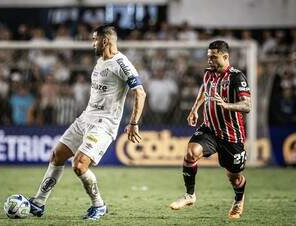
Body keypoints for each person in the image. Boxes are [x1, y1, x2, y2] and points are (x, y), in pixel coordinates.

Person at [28, 25, 146, 220]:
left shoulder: (121, 63)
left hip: (104, 123)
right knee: (57, 155)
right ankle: (39, 202)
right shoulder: (100, 61)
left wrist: (134, 123)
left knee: (79, 165)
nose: (92, 44)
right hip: (85, 118)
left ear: (105, 41)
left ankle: (99, 205)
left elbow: (140, 92)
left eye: (94, 40)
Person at [169, 40, 251, 220]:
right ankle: (190, 195)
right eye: (208, 57)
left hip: (232, 135)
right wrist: (194, 108)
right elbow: (204, 89)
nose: (210, 61)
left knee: (234, 177)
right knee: (191, 153)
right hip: (210, 129)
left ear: (225, 56)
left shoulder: (237, 77)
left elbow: (247, 105)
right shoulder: (208, 74)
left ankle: (238, 199)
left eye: (214, 57)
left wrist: (226, 105)